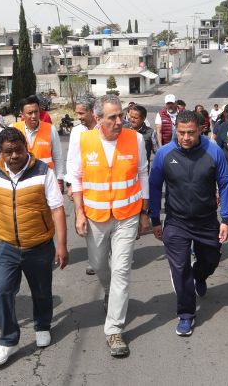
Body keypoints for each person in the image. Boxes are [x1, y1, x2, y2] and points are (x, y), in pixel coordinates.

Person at [66, 94, 151, 358]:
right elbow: (76, 178)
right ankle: (107, 289)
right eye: (112, 117)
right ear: (98, 118)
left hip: (127, 215)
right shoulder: (83, 140)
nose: (119, 121)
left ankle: (114, 330)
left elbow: (142, 173)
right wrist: (79, 212)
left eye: (121, 115)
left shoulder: (134, 139)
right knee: (100, 265)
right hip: (96, 217)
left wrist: (145, 212)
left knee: (122, 270)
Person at [0, 127, 68, 366]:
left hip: (39, 244)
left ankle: (42, 325)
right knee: (2, 290)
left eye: (18, 150)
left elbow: (57, 209)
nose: (13, 156)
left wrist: (61, 245)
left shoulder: (43, 171)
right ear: (0, 152)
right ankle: (8, 341)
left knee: (41, 291)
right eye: (8, 152)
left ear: (26, 148)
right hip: (6, 245)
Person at [149, 110, 228, 336]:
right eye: (181, 132)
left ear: (201, 130)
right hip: (177, 222)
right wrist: (155, 218)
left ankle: (201, 275)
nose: (186, 138)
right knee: (179, 268)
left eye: (191, 133)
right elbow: (155, 186)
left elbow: (225, 184)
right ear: (176, 130)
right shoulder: (165, 153)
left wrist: (226, 218)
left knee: (211, 258)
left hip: (207, 220)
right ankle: (186, 314)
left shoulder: (213, 151)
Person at [66, 94, 100, 276]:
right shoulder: (77, 132)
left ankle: (108, 256)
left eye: (82, 113)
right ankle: (94, 259)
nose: (79, 117)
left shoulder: (105, 129)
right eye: (77, 113)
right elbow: (72, 159)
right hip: (84, 187)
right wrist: (70, 184)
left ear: (93, 110)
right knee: (87, 223)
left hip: (104, 187)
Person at [12, 95, 65, 192]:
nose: (34, 116)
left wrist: (60, 179)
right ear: (22, 114)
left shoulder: (50, 129)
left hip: (46, 182)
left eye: (36, 112)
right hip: (23, 182)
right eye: (30, 113)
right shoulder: (14, 129)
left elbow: (58, 157)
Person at [127, 104, 158, 168]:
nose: (132, 120)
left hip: (142, 170)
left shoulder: (151, 133)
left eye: (135, 118)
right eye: (131, 117)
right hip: (126, 169)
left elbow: (157, 152)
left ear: (143, 119)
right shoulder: (124, 129)